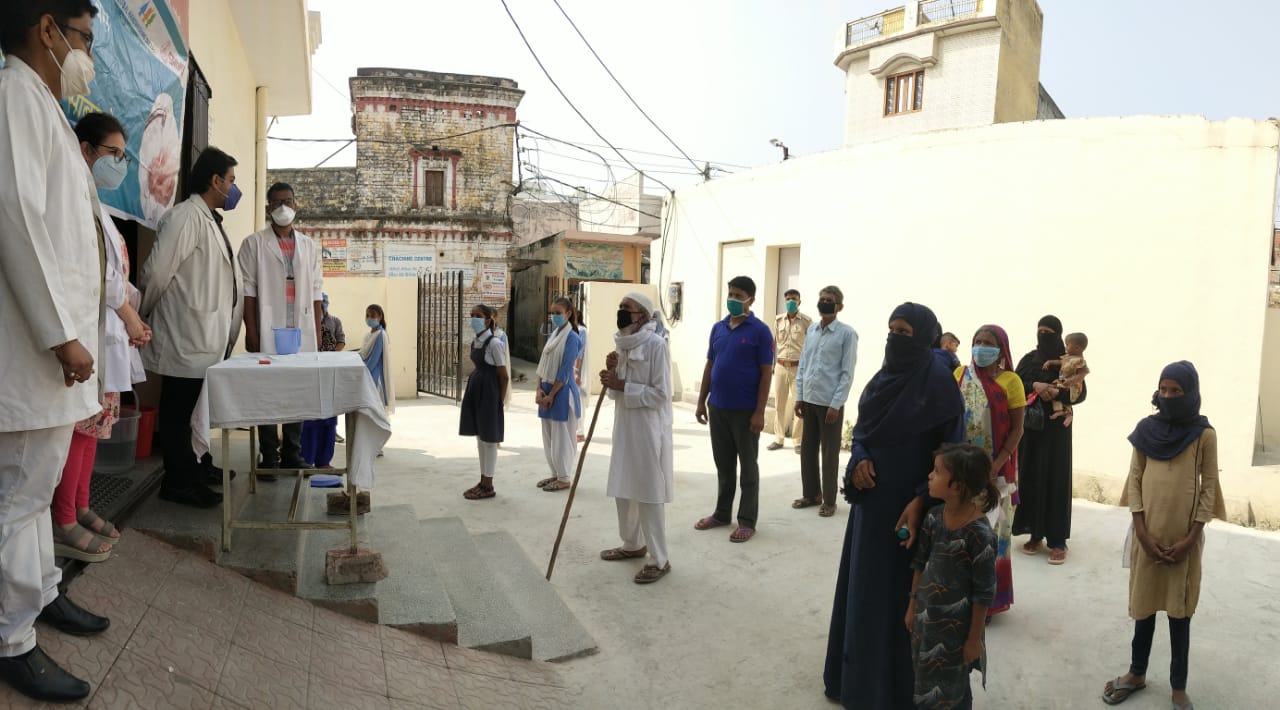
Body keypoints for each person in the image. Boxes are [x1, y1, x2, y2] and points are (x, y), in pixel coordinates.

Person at [0, 2, 113, 701]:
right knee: (16, 499)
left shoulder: (41, 105)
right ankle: (12, 638)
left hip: (53, 354)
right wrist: (61, 334)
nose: (87, 57)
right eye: (84, 39)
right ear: (47, 30)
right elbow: (14, 214)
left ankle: (39, 597)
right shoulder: (14, 92)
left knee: (34, 496)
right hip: (33, 352)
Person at [823, 302, 964, 710]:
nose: (894, 339)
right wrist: (859, 457)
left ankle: (893, 692)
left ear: (922, 337)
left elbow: (951, 452)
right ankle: (857, 683)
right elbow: (864, 427)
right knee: (865, 591)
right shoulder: (882, 378)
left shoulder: (939, 383)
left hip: (911, 510)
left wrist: (921, 500)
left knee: (901, 598)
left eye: (903, 332)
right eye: (891, 330)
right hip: (871, 504)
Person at [50, 112, 153, 563]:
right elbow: (94, 272)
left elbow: (118, 276)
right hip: (87, 331)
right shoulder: (72, 194)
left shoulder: (101, 207)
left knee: (94, 429)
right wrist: (128, 313)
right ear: (87, 150)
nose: (120, 164)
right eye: (114, 154)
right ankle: (64, 517)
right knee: (79, 430)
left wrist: (134, 312)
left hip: (106, 333)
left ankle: (81, 505)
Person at [1102, 361, 1225, 710]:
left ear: (1191, 393)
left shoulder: (1204, 435)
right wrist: (1141, 531)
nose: (1168, 396)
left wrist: (1191, 538)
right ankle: (1136, 673)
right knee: (1143, 608)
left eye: (1176, 390)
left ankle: (1178, 686)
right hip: (1147, 538)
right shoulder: (1145, 430)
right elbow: (1135, 479)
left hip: (1183, 541)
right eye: (1164, 389)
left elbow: (1209, 487)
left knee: (1179, 613)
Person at [140, 146, 242, 509]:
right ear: (215, 180)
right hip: (185, 334)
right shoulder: (184, 217)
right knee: (177, 413)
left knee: (193, 413)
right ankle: (178, 482)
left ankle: (196, 469)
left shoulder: (208, 219)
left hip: (204, 337)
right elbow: (156, 273)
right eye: (230, 180)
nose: (233, 187)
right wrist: (142, 315)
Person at [238, 181, 323, 472]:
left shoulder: (310, 246)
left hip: (300, 330)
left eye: (287, 201)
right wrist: (251, 330)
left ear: (296, 205)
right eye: (276, 203)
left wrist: (318, 331)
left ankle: (292, 453)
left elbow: (315, 293)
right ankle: (269, 455)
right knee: (266, 390)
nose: (282, 208)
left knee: (296, 388)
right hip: (268, 329)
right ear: (268, 208)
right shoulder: (254, 244)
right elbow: (248, 292)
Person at [906, 443, 998, 709]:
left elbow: (983, 594)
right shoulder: (934, 517)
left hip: (956, 635)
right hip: (925, 624)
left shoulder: (980, 536)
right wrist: (913, 606)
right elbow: (920, 563)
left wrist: (973, 640)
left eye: (937, 472)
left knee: (951, 693)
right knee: (923, 684)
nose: (929, 477)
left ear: (957, 486)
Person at [598, 292, 674, 584]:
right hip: (625, 426)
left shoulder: (656, 345)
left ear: (642, 314)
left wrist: (622, 383)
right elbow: (617, 392)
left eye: (626, 308)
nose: (621, 312)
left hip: (647, 430)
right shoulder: (623, 344)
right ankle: (633, 545)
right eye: (619, 307)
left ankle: (659, 559)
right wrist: (612, 376)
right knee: (624, 487)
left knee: (648, 491)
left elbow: (660, 395)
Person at [694, 276, 774, 543]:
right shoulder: (718, 328)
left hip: (745, 411)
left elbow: (766, 373)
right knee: (723, 465)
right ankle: (721, 513)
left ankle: (747, 520)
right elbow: (709, 366)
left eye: (739, 296)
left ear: (751, 299)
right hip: (717, 407)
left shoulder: (760, 331)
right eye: (730, 294)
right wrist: (701, 400)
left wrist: (760, 412)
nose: (733, 299)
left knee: (748, 467)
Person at [953, 325, 1024, 618]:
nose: (981, 347)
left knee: (992, 535)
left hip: (996, 472)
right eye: (977, 342)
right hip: (960, 469)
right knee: (959, 533)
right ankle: (959, 596)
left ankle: (989, 602)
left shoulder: (1011, 381)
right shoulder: (959, 376)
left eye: (988, 343)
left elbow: (1017, 428)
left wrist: (997, 463)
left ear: (1001, 350)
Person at [1011, 315, 1084, 565]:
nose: (1044, 335)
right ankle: (1034, 534)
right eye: (1040, 330)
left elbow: (1081, 392)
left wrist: (1057, 392)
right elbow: (1015, 382)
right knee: (1031, 477)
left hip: (1056, 432)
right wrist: (1035, 384)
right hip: (1031, 429)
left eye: (1049, 332)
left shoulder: (1069, 361)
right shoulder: (1029, 359)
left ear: (1059, 335)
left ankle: (1057, 540)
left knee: (1055, 480)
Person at [793, 285, 857, 517]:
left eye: (829, 300)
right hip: (809, 400)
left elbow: (846, 373)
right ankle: (812, 494)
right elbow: (803, 365)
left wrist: (836, 404)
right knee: (807, 451)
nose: (824, 302)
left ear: (839, 306)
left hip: (830, 404)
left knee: (829, 454)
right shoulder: (811, 331)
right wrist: (799, 396)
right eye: (822, 298)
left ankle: (829, 501)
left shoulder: (847, 334)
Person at [460, 305, 509, 500]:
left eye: (478, 316)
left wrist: (499, 401)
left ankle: (489, 483)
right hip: (476, 391)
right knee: (480, 437)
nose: (474, 319)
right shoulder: (475, 341)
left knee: (489, 440)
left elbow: (503, 375)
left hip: (489, 392)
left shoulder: (494, 343)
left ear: (489, 320)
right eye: (472, 316)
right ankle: (482, 480)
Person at [534, 297, 583, 492]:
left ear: (568, 314)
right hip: (546, 389)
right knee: (548, 435)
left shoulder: (573, 338)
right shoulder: (553, 335)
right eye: (552, 312)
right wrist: (539, 389)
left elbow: (564, 370)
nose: (554, 316)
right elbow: (542, 363)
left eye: (558, 313)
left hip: (561, 392)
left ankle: (564, 477)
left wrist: (551, 394)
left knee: (561, 436)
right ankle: (554, 473)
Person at [301, 292, 345, 467]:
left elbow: (341, 342)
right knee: (309, 420)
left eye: (324, 302)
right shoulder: (305, 322)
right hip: (309, 374)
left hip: (328, 372)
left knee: (328, 419)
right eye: (320, 302)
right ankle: (306, 459)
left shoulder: (334, 321)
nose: (322, 305)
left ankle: (324, 460)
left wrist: (329, 354)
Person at [767, 288, 811, 453]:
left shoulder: (806, 322)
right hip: (780, 366)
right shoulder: (778, 320)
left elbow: (810, 346)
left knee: (800, 404)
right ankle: (778, 439)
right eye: (788, 299)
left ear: (799, 301)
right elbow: (776, 343)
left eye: (794, 299)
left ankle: (797, 441)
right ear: (785, 301)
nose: (791, 301)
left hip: (798, 367)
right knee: (780, 403)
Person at [1044, 332, 1089, 425]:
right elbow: (1060, 362)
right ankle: (1061, 411)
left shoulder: (1079, 361)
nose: (1065, 347)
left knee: (1058, 393)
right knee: (1051, 392)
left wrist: (1071, 381)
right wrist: (1049, 362)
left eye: (1067, 345)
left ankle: (1068, 413)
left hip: (1073, 386)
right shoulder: (1067, 357)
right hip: (1062, 382)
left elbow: (1082, 374)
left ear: (1077, 348)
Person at [360, 304, 394, 414]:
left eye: (372, 316)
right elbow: (363, 353)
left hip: (375, 376)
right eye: (367, 316)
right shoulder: (368, 335)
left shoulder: (380, 335)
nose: (369, 318)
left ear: (380, 317)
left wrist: (364, 372)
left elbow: (374, 359)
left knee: (376, 411)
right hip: (367, 373)